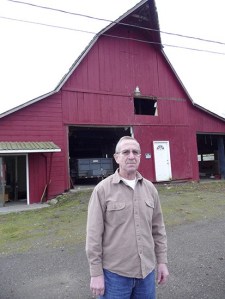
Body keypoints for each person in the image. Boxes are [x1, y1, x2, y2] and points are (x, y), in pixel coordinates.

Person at [86, 136, 169, 298]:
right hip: (115, 275)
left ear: (139, 156)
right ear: (117, 157)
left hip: (146, 273)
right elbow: (93, 235)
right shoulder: (102, 190)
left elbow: (158, 229)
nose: (131, 156)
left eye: (135, 152)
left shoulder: (150, 189)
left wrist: (162, 261)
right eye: (125, 152)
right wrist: (96, 273)